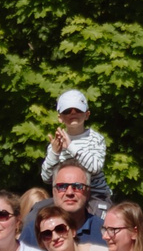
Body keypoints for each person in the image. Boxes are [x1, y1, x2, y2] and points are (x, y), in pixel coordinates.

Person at [40, 91, 111, 222]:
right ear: (60, 117)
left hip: (95, 195)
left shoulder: (95, 139)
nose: (73, 113)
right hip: (65, 196)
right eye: (67, 111)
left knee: (100, 223)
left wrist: (71, 147)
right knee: (38, 214)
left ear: (87, 115)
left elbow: (95, 167)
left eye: (78, 110)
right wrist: (54, 153)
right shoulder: (56, 142)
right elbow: (46, 177)